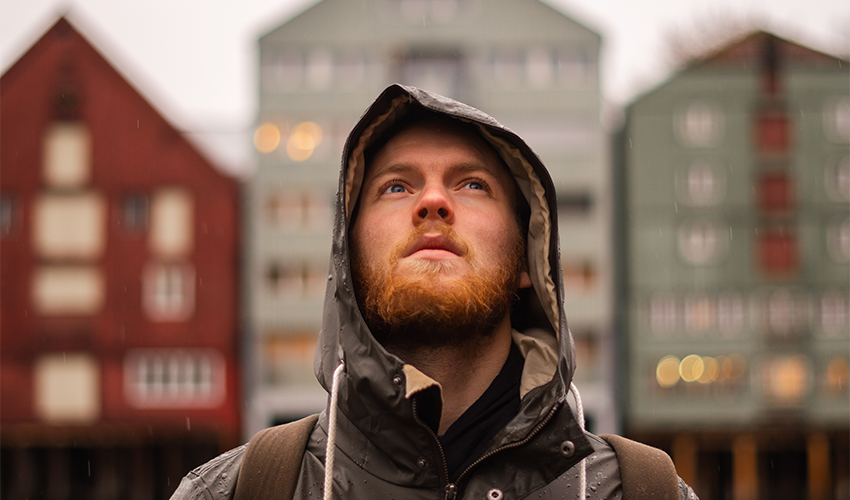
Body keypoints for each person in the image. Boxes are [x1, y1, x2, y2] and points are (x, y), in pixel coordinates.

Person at [171, 85, 699, 500]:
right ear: (350, 259)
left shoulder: (640, 491)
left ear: (526, 261)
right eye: (396, 187)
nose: (432, 201)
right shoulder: (242, 490)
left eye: (472, 184)